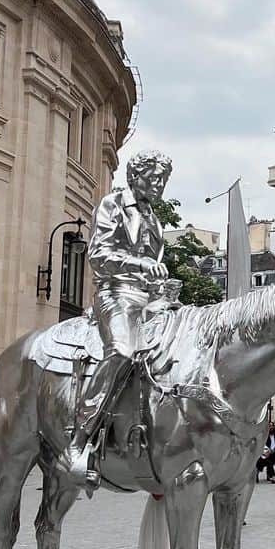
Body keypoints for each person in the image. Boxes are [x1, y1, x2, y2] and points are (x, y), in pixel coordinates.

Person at [66, 150, 174, 490]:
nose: (159, 185)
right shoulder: (113, 204)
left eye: (164, 180)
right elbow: (98, 255)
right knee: (123, 351)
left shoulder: (154, 218)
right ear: (136, 176)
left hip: (151, 298)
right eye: (154, 178)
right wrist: (142, 266)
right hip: (117, 293)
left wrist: (164, 287)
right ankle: (82, 437)